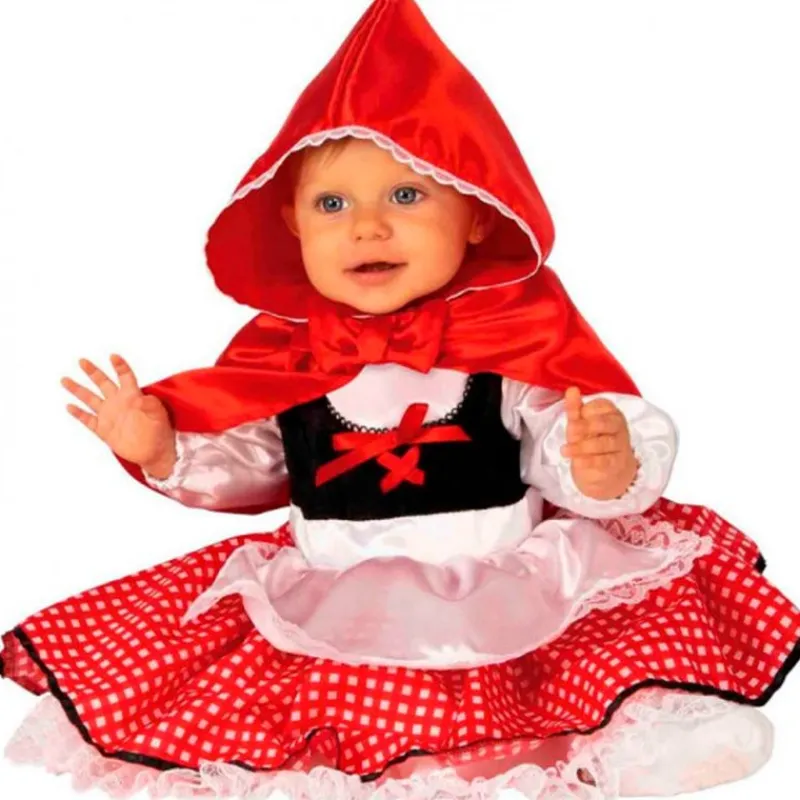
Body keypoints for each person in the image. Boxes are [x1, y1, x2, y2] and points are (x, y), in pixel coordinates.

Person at [2, 1, 797, 797]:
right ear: (292, 224)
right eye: (332, 204)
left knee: (565, 684)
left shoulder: (511, 336)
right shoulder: (285, 354)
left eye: (407, 197)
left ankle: (631, 746)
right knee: (312, 732)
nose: (368, 228)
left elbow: (564, 430)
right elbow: (255, 465)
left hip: (504, 594)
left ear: (477, 214)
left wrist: (600, 460)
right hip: (331, 606)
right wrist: (164, 449)